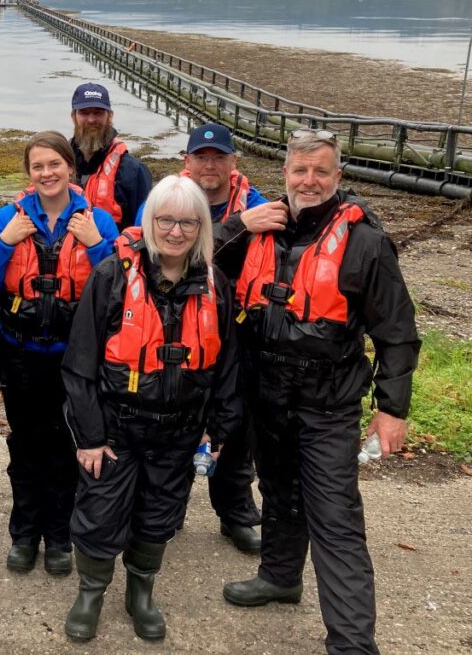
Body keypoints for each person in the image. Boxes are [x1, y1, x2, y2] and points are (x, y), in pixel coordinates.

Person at [223, 130, 420, 655]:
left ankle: (353, 644)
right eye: (299, 171)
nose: (309, 181)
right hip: (266, 396)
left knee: (335, 518)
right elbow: (185, 261)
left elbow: (397, 331)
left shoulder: (366, 243)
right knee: (278, 493)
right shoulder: (257, 230)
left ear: (338, 177)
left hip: (327, 404)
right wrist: (237, 222)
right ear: (284, 174)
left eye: (321, 172)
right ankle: (281, 577)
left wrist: (391, 409)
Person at [61, 175, 242, 642]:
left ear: (201, 227)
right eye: (166, 220)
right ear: (150, 221)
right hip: (117, 429)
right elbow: (80, 364)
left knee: (159, 515)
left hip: (180, 431)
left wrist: (215, 432)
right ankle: (91, 592)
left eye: (187, 222)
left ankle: (140, 593)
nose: (176, 232)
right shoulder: (112, 277)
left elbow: (227, 367)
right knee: (99, 515)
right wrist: (90, 437)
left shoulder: (215, 285)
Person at [133, 122, 290, 553]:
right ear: (186, 161)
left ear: (233, 162)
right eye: (200, 157)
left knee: (233, 427)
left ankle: (235, 512)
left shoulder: (260, 205)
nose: (209, 165)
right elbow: (141, 247)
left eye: (218, 157)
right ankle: (170, 506)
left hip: (236, 329)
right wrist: (240, 224)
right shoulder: (165, 202)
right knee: (174, 418)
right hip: (172, 327)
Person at [0, 131, 119, 577]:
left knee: (66, 447)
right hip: (20, 355)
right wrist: (4, 242)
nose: (46, 173)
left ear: (70, 168)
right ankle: (24, 533)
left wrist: (96, 244)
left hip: (74, 362)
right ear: (29, 172)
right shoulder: (8, 217)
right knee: (25, 446)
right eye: (37, 166)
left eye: (54, 164)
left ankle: (59, 535)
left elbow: (120, 290)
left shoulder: (99, 219)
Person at [69, 82, 152, 229]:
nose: (91, 120)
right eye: (84, 112)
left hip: (113, 250)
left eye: (98, 112)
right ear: (73, 117)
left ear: (110, 116)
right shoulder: (58, 163)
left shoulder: (133, 170)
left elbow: (144, 227)